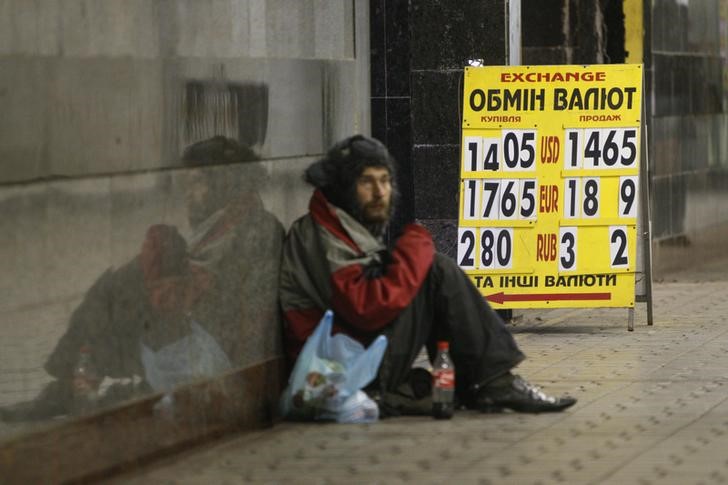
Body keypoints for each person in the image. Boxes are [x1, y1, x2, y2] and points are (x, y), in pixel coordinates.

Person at [279, 134, 576, 414]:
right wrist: (415, 246)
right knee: (434, 270)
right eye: (367, 182)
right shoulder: (321, 233)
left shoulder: (342, 224)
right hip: (337, 373)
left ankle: (485, 383)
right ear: (344, 187)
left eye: (385, 181)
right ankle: (495, 383)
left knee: (430, 271)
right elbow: (367, 308)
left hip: (354, 354)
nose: (380, 192)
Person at [1, 136, 284, 421]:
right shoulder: (223, 225)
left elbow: (238, 314)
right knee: (122, 287)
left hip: (225, 360)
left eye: (197, 183)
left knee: (123, 287)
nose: (188, 194)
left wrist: (160, 291)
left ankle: (73, 390)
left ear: (224, 183)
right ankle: (76, 389)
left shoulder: (255, 228)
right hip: (203, 341)